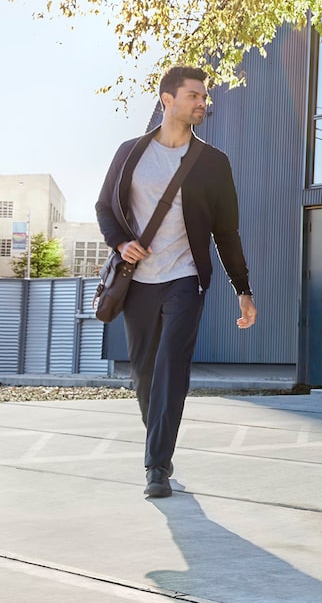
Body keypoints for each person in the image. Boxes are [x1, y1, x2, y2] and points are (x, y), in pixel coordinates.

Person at [95, 66, 258, 498]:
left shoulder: (213, 163)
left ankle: (156, 467)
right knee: (145, 375)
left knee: (171, 368)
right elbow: (104, 208)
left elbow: (227, 231)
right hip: (138, 282)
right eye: (193, 96)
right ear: (167, 100)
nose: (202, 102)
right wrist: (120, 243)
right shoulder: (131, 153)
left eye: (205, 97)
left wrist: (243, 289)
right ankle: (160, 446)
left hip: (185, 279)